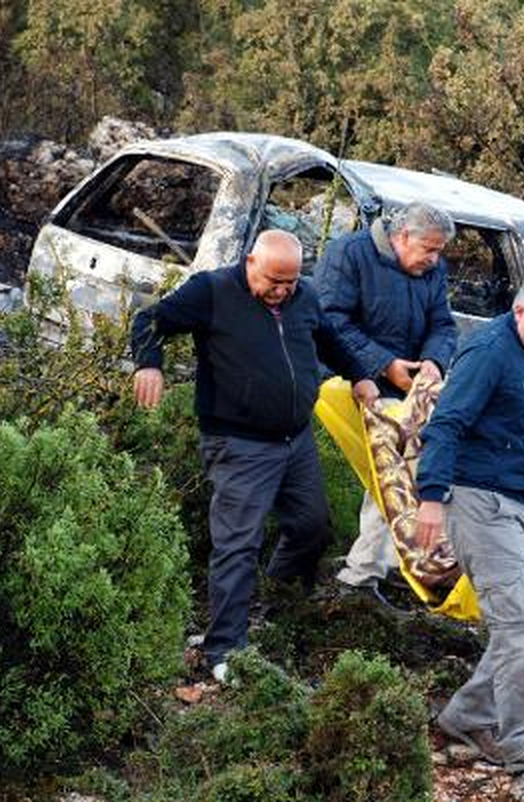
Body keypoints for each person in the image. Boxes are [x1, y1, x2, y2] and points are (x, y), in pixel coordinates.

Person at [131, 230, 378, 682]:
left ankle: (274, 605)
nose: (282, 291)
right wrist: (149, 362)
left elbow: (329, 339)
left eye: (291, 281)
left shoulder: (302, 297)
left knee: (313, 527)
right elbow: (150, 321)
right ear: (250, 262)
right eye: (274, 281)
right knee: (238, 544)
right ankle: (224, 649)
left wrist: (360, 374)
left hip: (296, 439)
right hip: (239, 442)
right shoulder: (213, 291)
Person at [413, 270, 524, 775]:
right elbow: (448, 422)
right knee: (518, 624)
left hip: (522, 502)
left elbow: (517, 426)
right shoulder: (487, 351)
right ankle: (522, 738)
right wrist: (431, 497)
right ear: (520, 309)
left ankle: (467, 714)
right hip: (479, 502)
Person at [314, 201, 459, 604]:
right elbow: (329, 322)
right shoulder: (349, 254)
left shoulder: (432, 268)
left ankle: (386, 564)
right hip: (352, 382)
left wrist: (432, 360)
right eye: (429, 249)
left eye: (439, 251)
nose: (434, 260)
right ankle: (362, 574)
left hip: (406, 387)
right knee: (387, 474)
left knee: (405, 474)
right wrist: (383, 364)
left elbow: (442, 324)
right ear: (401, 237)